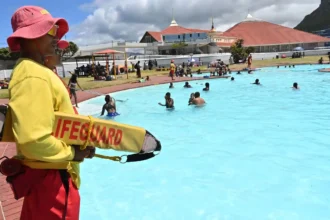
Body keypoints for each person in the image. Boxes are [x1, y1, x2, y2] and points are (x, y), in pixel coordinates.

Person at [6, 6, 95, 220]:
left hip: (50, 175)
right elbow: (33, 139)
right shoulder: (32, 75)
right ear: (31, 36)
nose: (57, 39)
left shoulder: (36, 71)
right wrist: (74, 153)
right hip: (51, 180)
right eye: (51, 32)